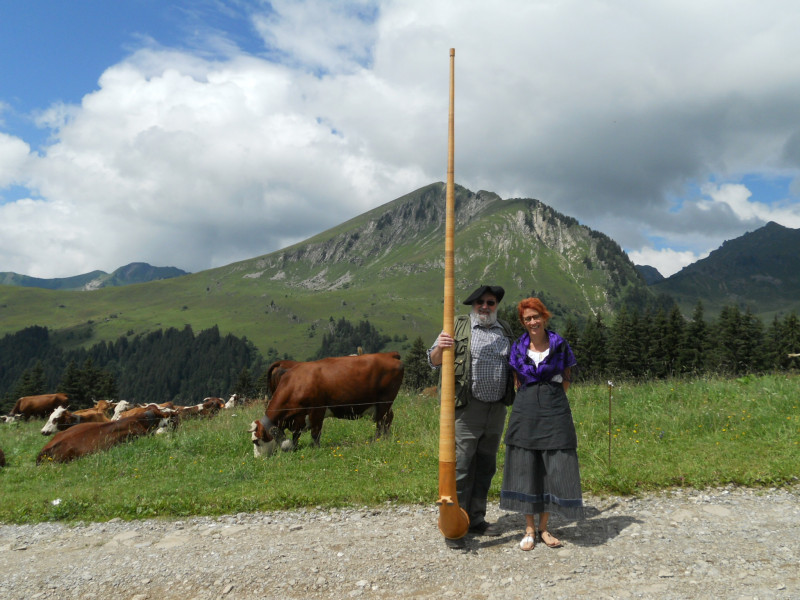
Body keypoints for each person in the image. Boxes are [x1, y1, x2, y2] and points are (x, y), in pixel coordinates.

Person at [428, 284, 516, 549]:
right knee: (463, 466)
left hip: (497, 409)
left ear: (496, 305)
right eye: (480, 303)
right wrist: (439, 349)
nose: (485, 307)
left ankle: (476, 517)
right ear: (472, 306)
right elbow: (432, 360)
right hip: (467, 409)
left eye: (490, 303)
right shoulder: (456, 325)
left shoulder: (505, 330)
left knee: (486, 466)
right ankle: (455, 524)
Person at [500, 297, 584, 551]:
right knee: (526, 464)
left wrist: (551, 399)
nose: (533, 322)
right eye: (528, 318)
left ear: (544, 317)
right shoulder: (517, 347)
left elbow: (566, 379)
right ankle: (528, 529)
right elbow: (517, 381)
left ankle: (544, 528)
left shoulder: (559, 345)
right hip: (525, 407)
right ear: (523, 322)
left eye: (536, 316)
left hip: (554, 405)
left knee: (552, 465)